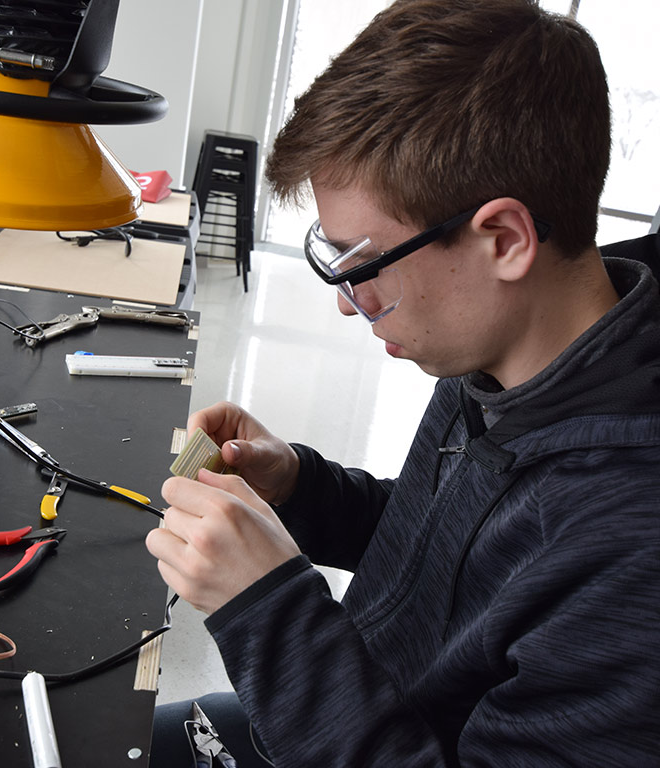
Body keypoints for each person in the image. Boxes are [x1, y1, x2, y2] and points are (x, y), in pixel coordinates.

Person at [146, 0, 660, 765]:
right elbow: (456, 551)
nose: (351, 301)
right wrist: (301, 486)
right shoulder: (499, 348)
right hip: (346, 704)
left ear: (504, 239)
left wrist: (268, 612)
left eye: (366, 266)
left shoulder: (632, 553)